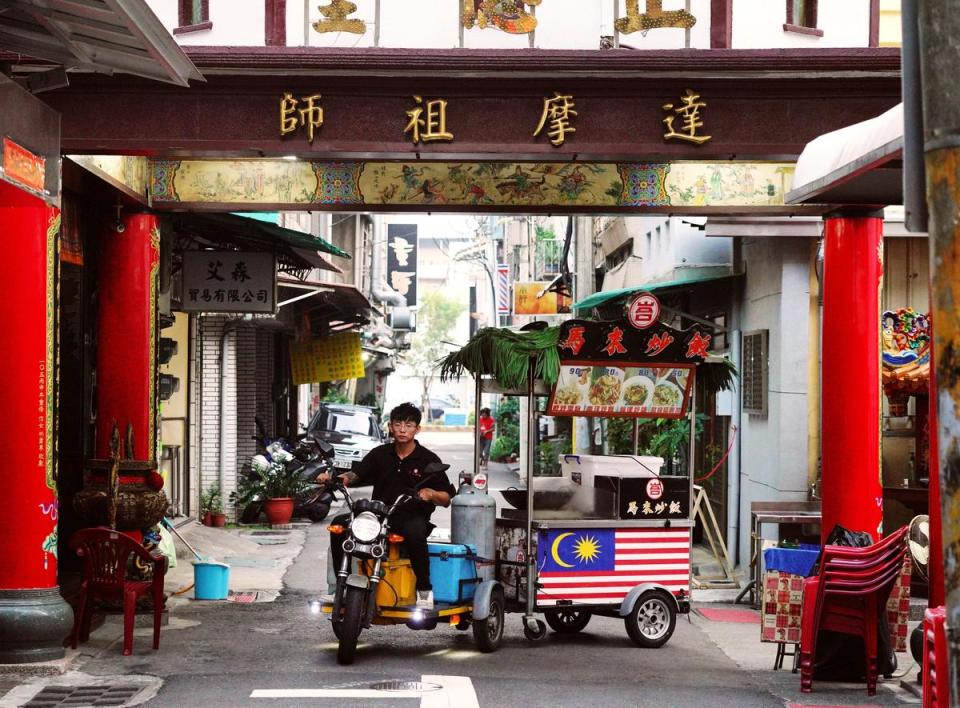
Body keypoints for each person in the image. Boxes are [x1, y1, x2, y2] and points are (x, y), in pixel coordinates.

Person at [317, 402, 455, 609]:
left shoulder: (428, 459)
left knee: (416, 532)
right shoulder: (380, 453)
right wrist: (338, 478)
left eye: (408, 425)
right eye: (398, 424)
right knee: (339, 526)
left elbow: (446, 498)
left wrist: (431, 493)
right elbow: (356, 474)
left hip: (409, 515)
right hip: (378, 514)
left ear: (417, 429)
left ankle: (424, 590)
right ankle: (339, 586)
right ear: (390, 427)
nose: (402, 429)